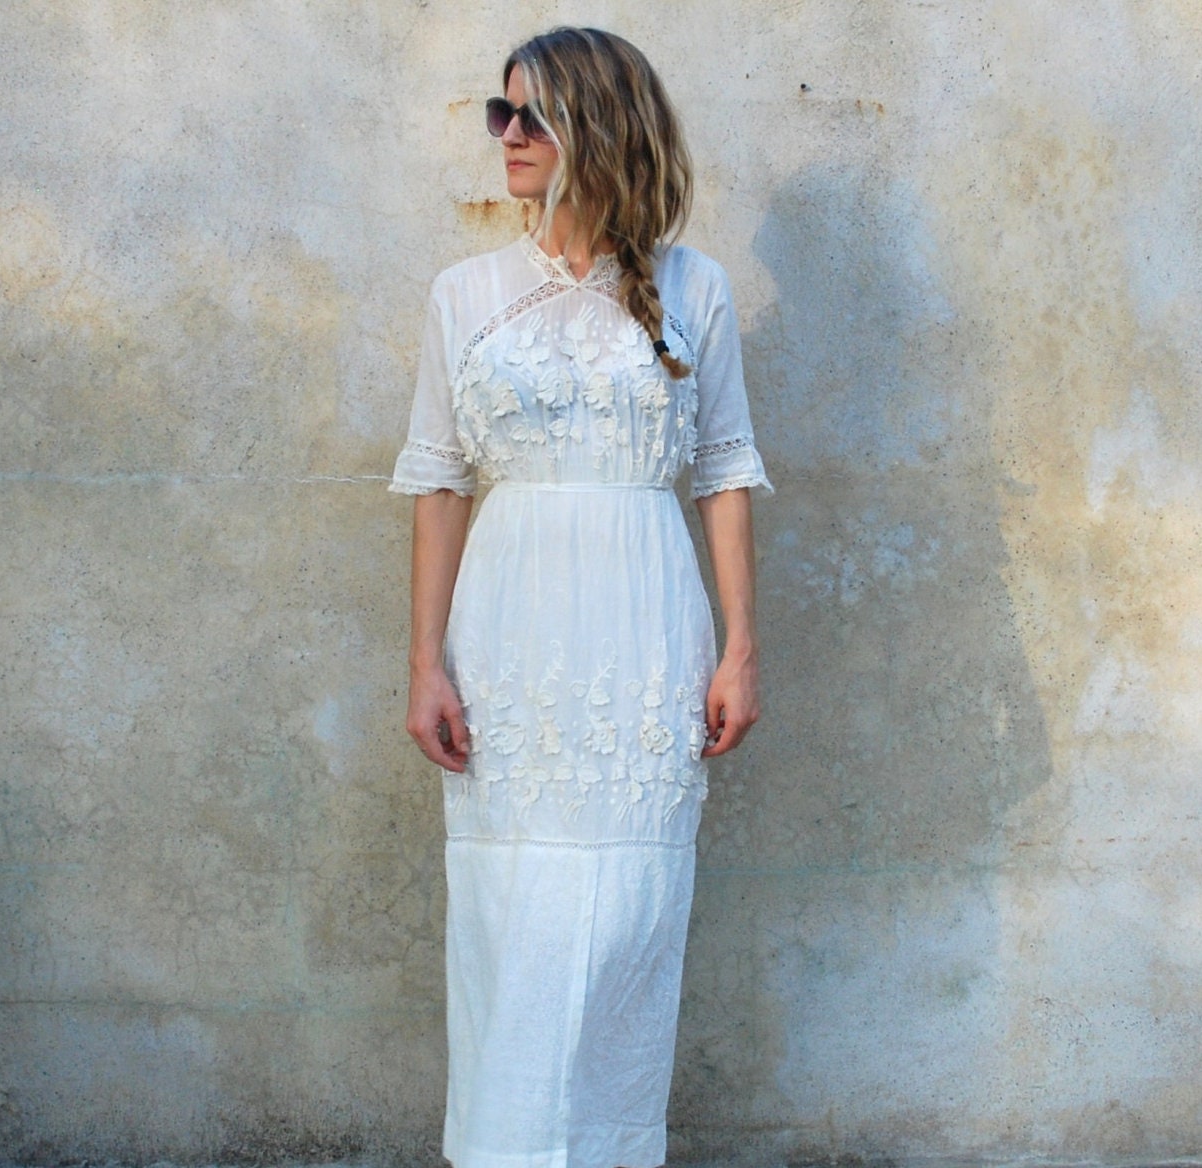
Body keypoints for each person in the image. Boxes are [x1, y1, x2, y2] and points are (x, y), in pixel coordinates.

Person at [390, 26, 772, 1168]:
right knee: (516, 921)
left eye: (533, 116)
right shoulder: (465, 295)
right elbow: (439, 485)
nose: (507, 137)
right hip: (509, 635)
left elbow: (725, 474)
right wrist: (424, 663)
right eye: (499, 114)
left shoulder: (694, 288)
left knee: (626, 921)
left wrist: (741, 649)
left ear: (598, 128)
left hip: (645, 629)